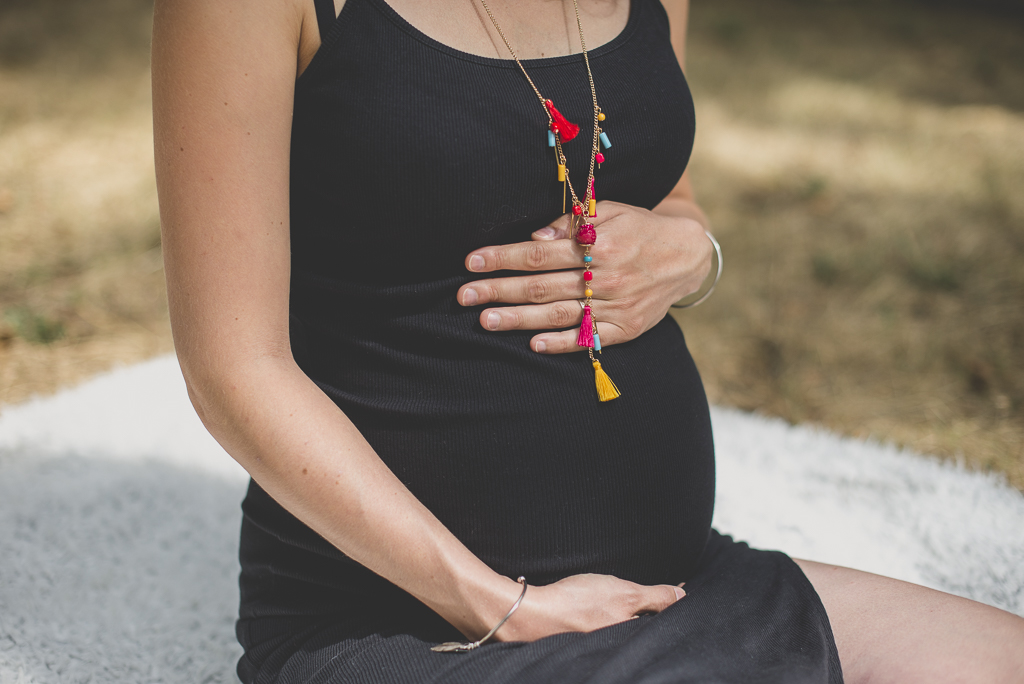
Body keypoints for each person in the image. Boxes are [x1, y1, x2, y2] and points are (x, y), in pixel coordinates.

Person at [151, 0, 1024, 681]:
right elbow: (233, 367)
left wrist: (692, 252)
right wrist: (496, 603)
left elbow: (670, 198)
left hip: (675, 586)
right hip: (413, 624)